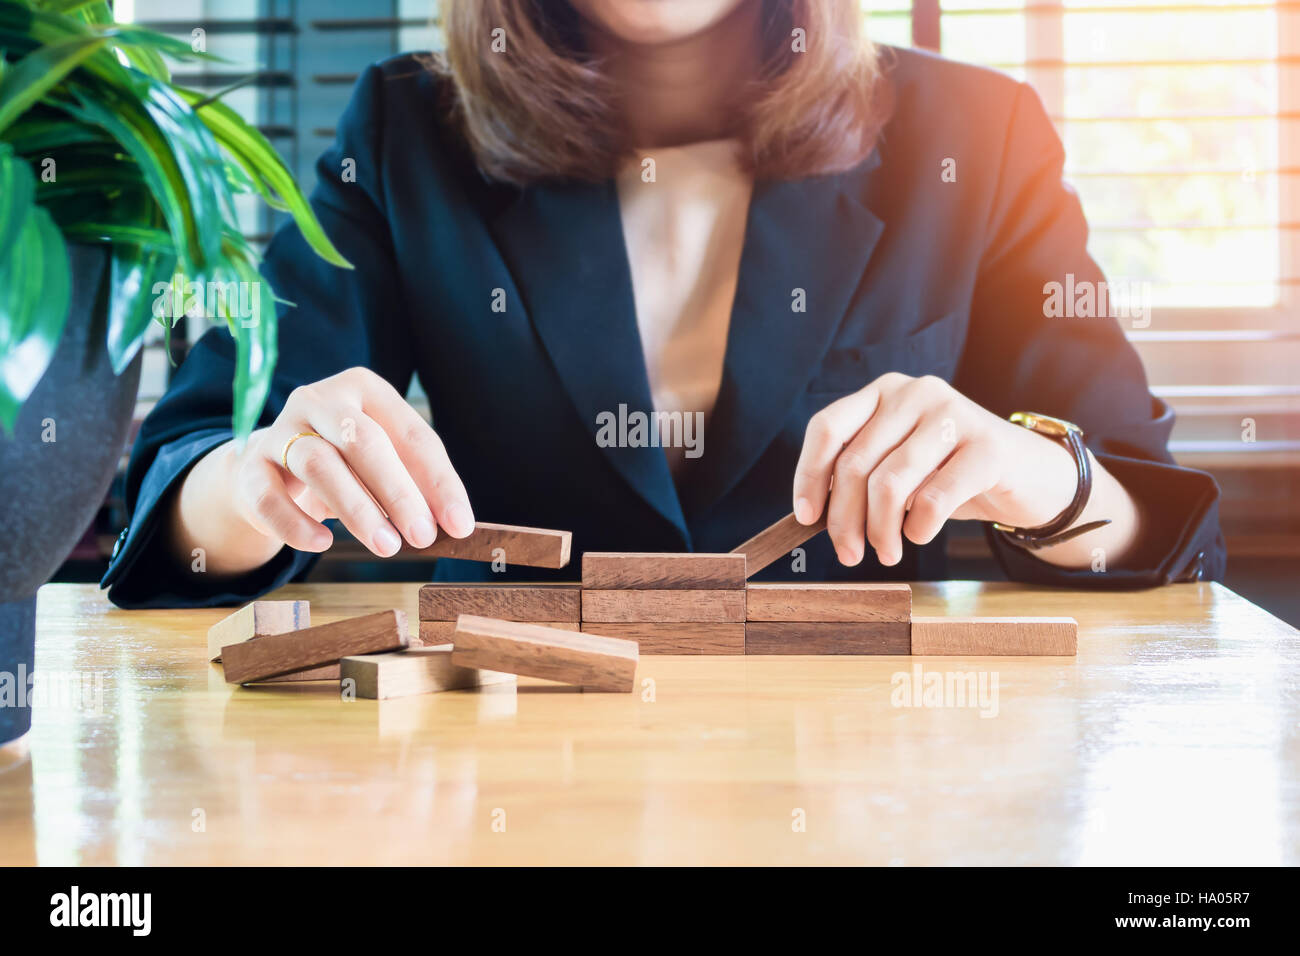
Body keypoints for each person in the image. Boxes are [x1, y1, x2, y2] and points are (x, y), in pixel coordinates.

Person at [102, 0, 1224, 608]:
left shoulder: (975, 133)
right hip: (494, 770)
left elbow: (1165, 526)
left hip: (872, 790)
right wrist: (256, 480)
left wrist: (1029, 475)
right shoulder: (404, 126)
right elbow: (183, 482)